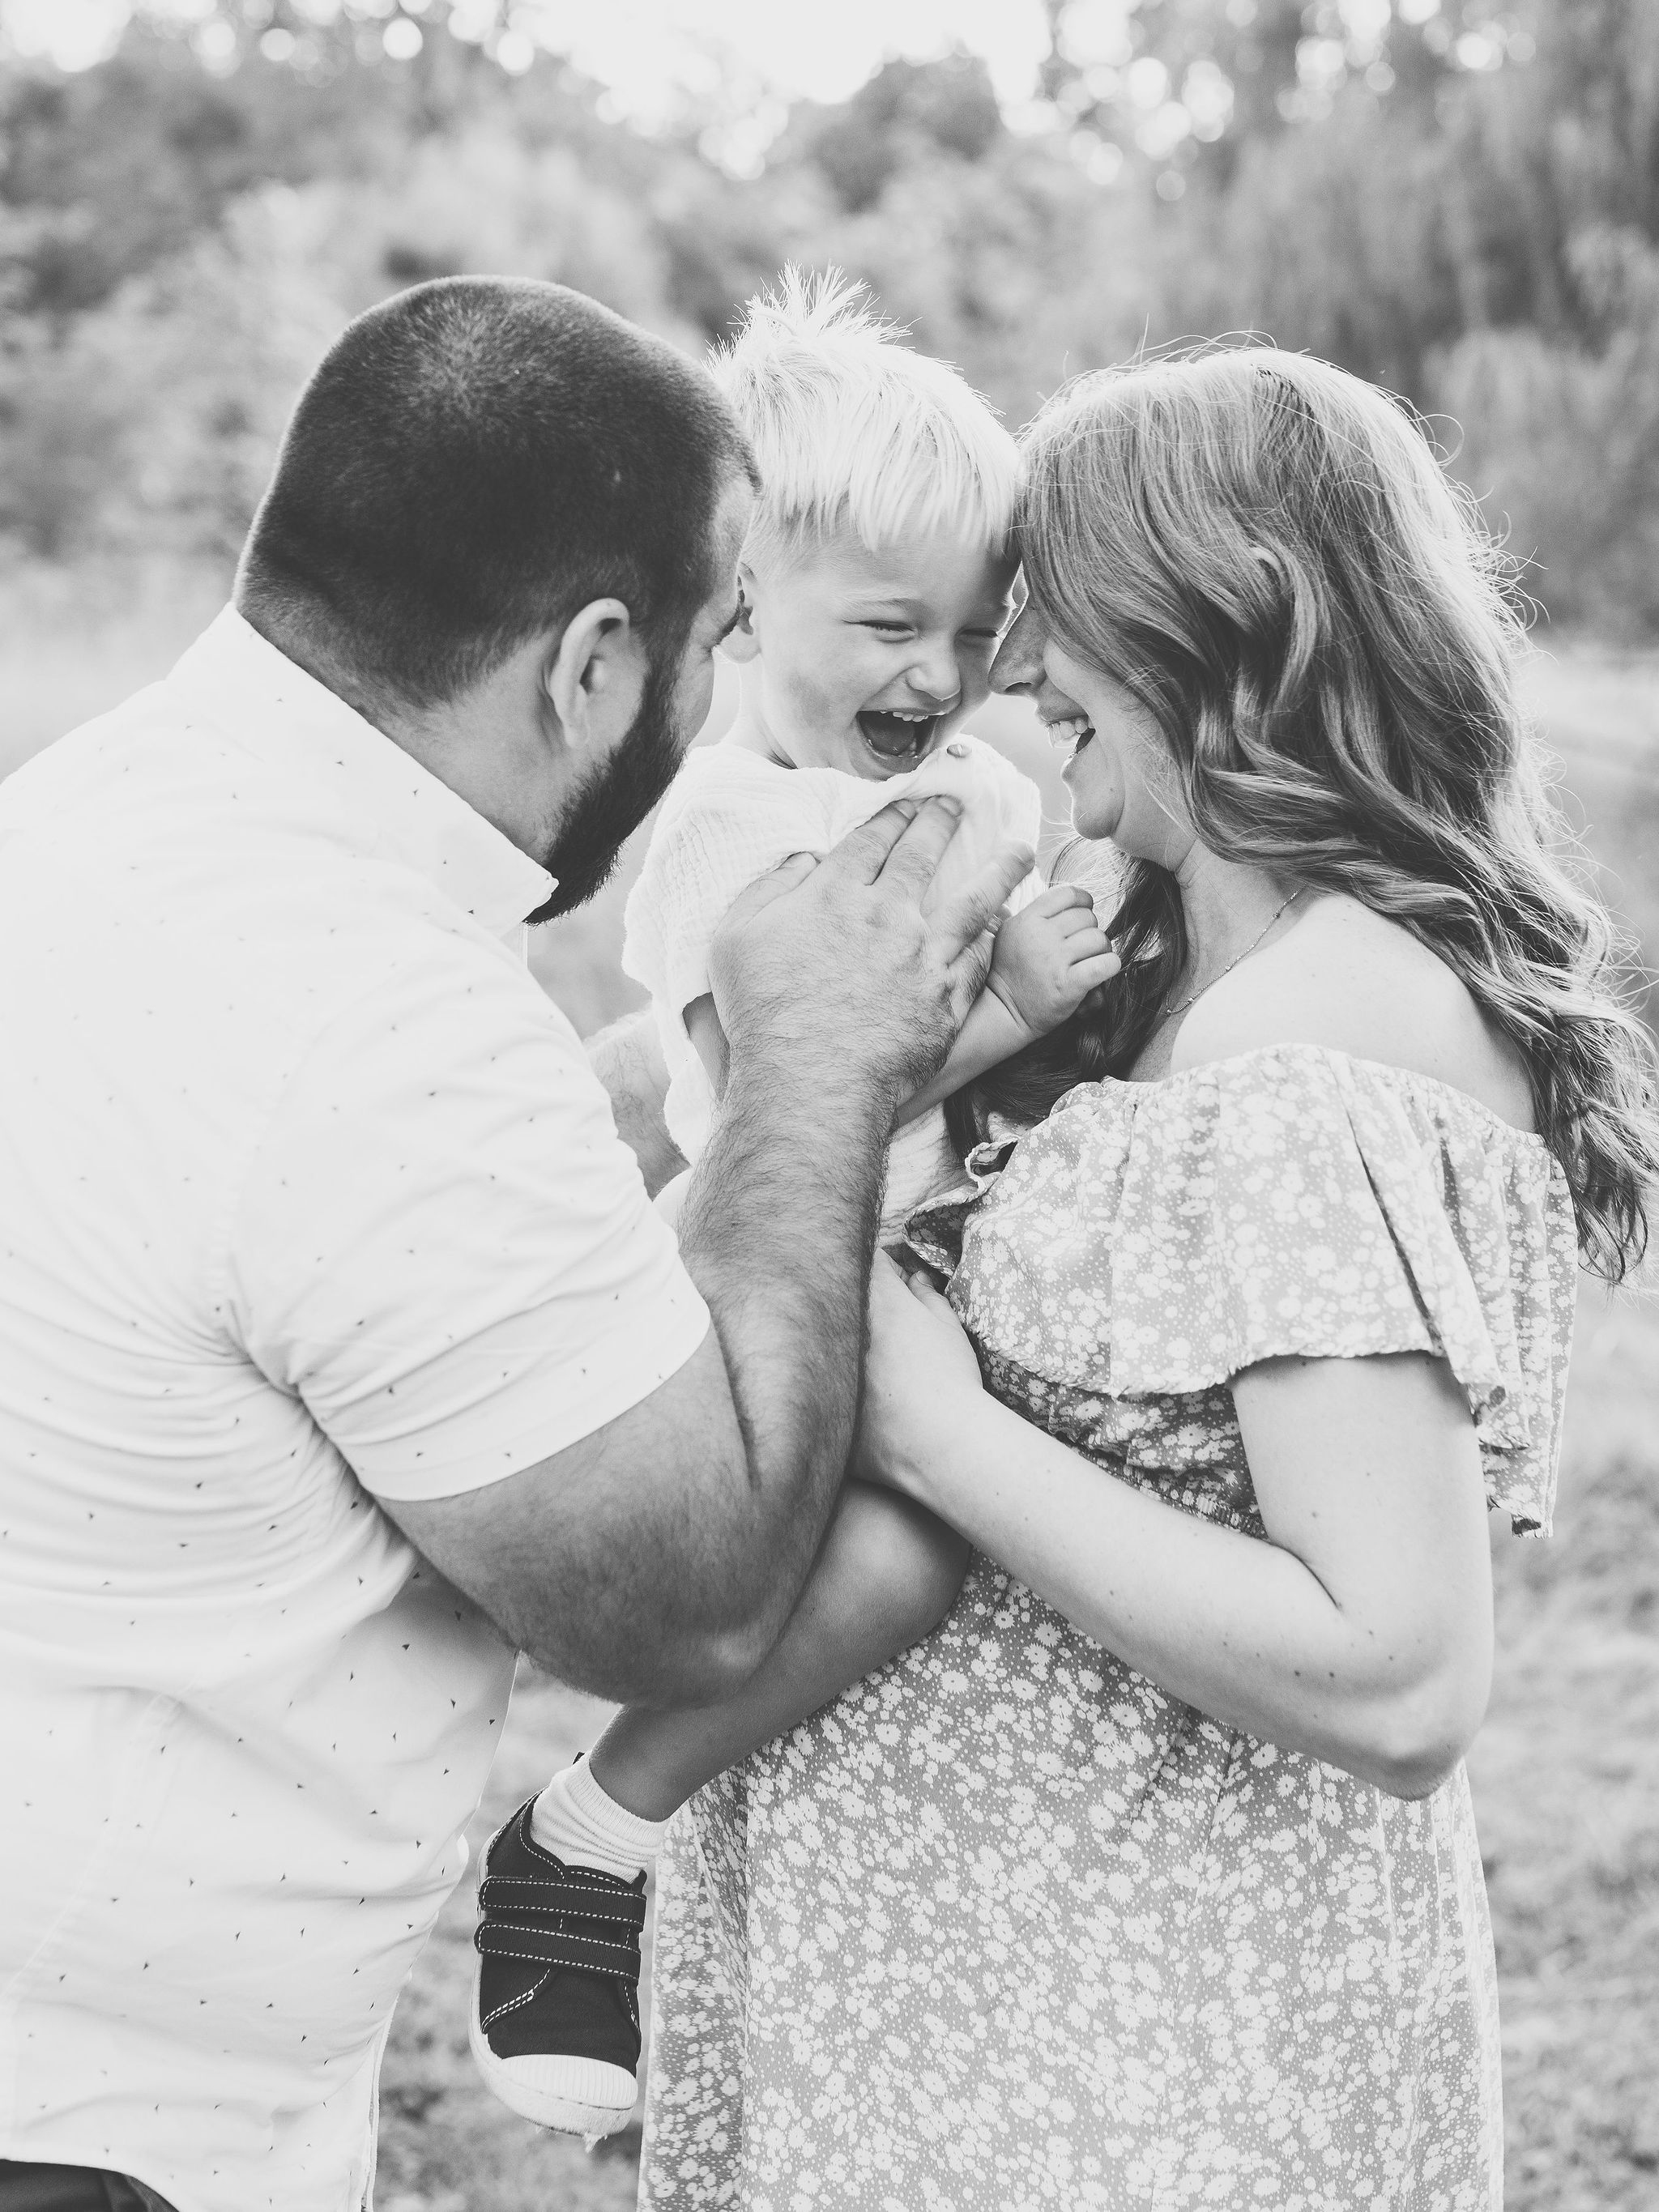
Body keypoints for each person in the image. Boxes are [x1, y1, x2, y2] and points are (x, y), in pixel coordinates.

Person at [0, 275, 1031, 2212]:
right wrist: (814, 1065)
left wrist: (686, 1081)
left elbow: (362, 1212)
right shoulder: (369, 1015)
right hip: (90, 2133)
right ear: (588, 666)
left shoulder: (86, 827)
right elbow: (684, 1600)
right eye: (717, 638)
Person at [638, 347, 1659, 2209]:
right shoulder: (1183, 978)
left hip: (1134, 2072)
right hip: (1004, 2029)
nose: (1005, 681)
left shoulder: (1311, 1041)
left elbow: (1400, 1672)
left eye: (1052, 620)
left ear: (1217, 621)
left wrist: (939, 1431)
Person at [467, 274, 1119, 2140]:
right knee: (920, 1547)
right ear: (749, 604)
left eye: (978, 630)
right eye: (887, 623)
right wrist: (1017, 1009)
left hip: (925, 1247)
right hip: (800, 1263)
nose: (936, 673)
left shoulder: (962, 778)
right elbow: (784, 1100)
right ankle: (592, 1826)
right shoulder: (731, 837)